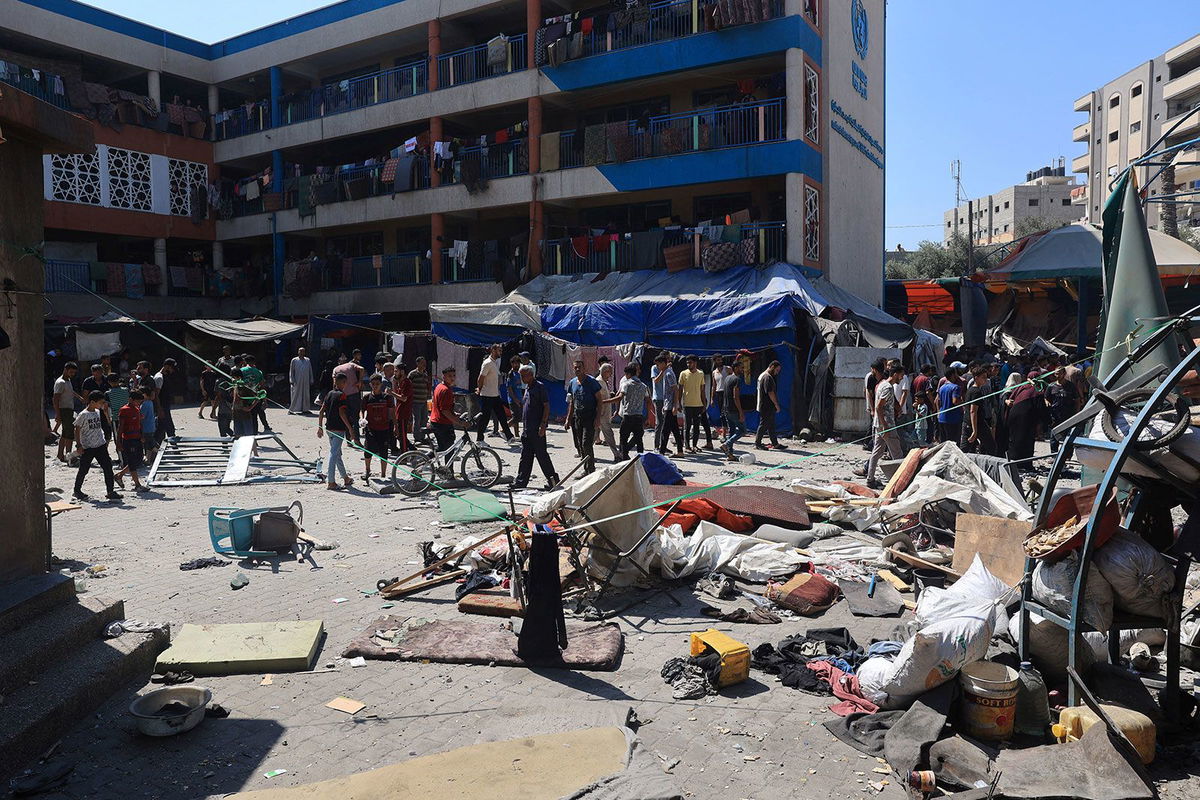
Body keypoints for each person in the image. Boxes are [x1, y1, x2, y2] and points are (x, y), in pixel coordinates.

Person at [512, 365, 559, 490]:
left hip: (537, 429)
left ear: (531, 375)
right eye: (521, 376)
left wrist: (543, 425)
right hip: (527, 429)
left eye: (523, 376)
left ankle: (553, 481)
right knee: (525, 457)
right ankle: (521, 482)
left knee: (542, 456)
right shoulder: (527, 387)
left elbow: (546, 406)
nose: (522, 378)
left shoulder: (540, 387)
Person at [73, 391, 121, 501]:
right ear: (92, 402)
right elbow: (77, 429)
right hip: (88, 447)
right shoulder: (83, 414)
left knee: (108, 467)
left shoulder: (98, 411)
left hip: (100, 444)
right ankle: (77, 490)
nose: (103, 404)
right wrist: (79, 445)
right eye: (101, 402)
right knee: (84, 469)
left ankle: (110, 491)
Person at [865, 364, 906, 489]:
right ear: (894, 374)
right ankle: (900, 482)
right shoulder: (888, 387)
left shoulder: (882, 384)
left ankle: (870, 479)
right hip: (886, 425)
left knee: (877, 452)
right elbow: (878, 407)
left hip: (879, 424)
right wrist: (886, 426)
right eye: (901, 375)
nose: (902, 378)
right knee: (897, 454)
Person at [317, 372, 356, 490]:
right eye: (345, 382)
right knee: (334, 454)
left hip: (329, 428)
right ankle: (331, 482)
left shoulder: (329, 394)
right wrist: (350, 429)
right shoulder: (342, 396)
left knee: (337, 454)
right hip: (338, 429)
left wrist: (320, 427)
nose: (345, 385)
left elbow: (321, 411)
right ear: (342, 382)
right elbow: (342, 413)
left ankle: (345, 478)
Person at [565, 359, 603, 475]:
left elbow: (599, 400)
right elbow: (572, 402)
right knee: (580, 445)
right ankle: (585, 468)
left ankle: (590, 470)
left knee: (586, 443)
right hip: (577, 417)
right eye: (575, 367)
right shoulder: (572, 383)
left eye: (579, 367)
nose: (577, 369)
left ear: (584, 368)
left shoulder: (592, 382)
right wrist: (568, 418)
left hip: (590, 417)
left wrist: (597, 419)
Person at [606, 363, 650, 458]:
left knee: (623, 438)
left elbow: (619, 398)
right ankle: (641, 459)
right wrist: (648, 417)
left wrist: (604, 402)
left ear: (628, 374)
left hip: (628, 416)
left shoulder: (626, 384)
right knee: (639, 440)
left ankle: (624, 457)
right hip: (638, 416)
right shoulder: (644, 386)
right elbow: (648, 401)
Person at [361, 373, 397, 480]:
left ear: (381, 384)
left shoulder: (387, 398)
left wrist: (395, 426)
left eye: (377, 384)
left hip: (384, 428)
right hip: (370, 428)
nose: (375, 386)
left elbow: (392, 413)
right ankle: (367, 471)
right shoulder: (367, 398)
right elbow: (362, 410)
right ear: (370, 385)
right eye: (373, 384)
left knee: (384, 451)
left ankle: (383, 474)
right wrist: (362, 419)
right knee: (368, 450)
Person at [476, 343, 514, 443]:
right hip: (487, 395)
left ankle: (509, 436)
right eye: (499, 350)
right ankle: (479, 440)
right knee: (485, 418)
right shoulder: (487, 363)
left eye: (501, 350)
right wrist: (479, 389)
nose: (501, 352)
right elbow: (480, 378)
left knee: (502, 416)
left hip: (495, 395)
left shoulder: (495, 362)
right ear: (493, 350)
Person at [1004, 371, 1038, 479]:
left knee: (1015, 440)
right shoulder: (1035, 390)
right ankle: (1024, 464)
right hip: (1025, 419)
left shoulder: (1020, 387)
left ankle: (1015, 463)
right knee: (1026, 441)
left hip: (1013, 417)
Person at [113, 390, 148, 492]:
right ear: (131, 399)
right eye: (137, 401)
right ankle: (137, 484)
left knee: (138, 460)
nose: (139, 404)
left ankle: (119, 475)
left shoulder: (137, 409)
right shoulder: (124, 410)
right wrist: (118, 442)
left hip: (137, 438)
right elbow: (120, 427)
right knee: (133, 462)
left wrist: (141, 435)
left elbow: (139, 423)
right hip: (128, 439)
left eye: (140, 402)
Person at [651, 353, 683, 456]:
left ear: (663, 363)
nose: (658, 367)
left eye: (659, 364)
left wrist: (675, 405)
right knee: (675, 429)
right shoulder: (666, 372)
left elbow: (676, 389)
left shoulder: (669, 373)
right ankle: (680, 451)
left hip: (670, 405)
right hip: (667, 404)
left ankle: (661, 452)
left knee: (665, 429)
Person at [430, 365, 467, 453]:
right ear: (444, 377)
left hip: (436, 421)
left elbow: (443, 407)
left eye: (454, 375)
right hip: (442, 423)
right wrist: (459, 422)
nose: (452, 378)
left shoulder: (439, 386)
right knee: (449, 450)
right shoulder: (446, 390)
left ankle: (423, 460)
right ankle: (449, 467)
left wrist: (453, 413)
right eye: (449, 376)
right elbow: (444, 411)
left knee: (442, 448)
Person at [679, 355, 712, 452]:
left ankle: (694, 445)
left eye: (690, 362)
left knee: (697, 426)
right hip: (687, 404)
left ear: (695, 363)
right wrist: (678, 402)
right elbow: (680, 389)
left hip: (698, 404)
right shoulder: (683, 374)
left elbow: (702, 390)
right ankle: (687, 446)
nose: (689, 364)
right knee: (687, 426)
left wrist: (704, 404)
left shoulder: (701, 374)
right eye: (687, 363)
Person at [963, 365, 997, 455]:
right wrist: (975, 430)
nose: (985, 380)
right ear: (976, 378)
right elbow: (973, 411)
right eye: (983, 377)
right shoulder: (976, 392)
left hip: (967, 423)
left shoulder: (971, 390)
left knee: (966, 449)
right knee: (991, 447)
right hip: (977, 424)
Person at [754, 360, 786, 451]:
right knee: (763, 424)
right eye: (776, 370)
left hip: (766, 405)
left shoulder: (764, 376)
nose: (777, 373)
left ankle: (775, 443)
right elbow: (770, 392)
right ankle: (758, 443)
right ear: (772, 366)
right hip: (766, 405)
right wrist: (776, 404)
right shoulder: (767, 377)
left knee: (771, 425)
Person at [594, 360, 622, 462]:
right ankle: (616, 454)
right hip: (602, 414)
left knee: (594, 434)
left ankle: (585, 452)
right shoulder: (599, 382)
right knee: (609, 435)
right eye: (609, 372)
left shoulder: (603, 381)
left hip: (604, 413)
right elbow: (599, 399)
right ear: (605, 371)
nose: (610, 375)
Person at [54, 362, 81, 463]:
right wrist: (57, 414)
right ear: (65, 369)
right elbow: (55, 399)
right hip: (64, 410)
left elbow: (70, 391)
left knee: (65, 433)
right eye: (71, 372)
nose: (72, 374)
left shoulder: (67, 380)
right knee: (69, 434)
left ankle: (61, 454)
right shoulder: (60, 382)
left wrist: (79, 397)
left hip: (69, 409)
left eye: (74, 372)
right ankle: (69, 455)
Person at [332, 351, 366, 427]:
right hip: (354, 393)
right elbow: (362, 369)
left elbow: (334, 384)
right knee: (355, 416)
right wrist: (359, 381)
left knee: (346, 417)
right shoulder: (351, 365)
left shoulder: (336, 369)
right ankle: (356, 437)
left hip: (343, 395)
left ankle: (349, 436)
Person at [719, 368, 745, 461]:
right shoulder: (737, 380)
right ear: (736, 368)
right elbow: (735, 396)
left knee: (732, 431)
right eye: (741, 367)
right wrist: (741, 412)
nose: (742, 369)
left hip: (726, 408)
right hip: (734, 409)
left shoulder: (727, 378)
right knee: (742, 430)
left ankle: (729, 455)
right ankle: (726, 444)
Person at [105, 373, 129, 465]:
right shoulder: (126, 390)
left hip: (116, 418)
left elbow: (105, 408)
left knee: (118, 439)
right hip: (128, 417)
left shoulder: (108, 393)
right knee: (127, 438)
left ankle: (122, 461)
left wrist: (108, 419)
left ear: (109, 382)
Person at [241, 355, 270, 432]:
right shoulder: (258, 372)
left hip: (243, 398)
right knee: (254, 417)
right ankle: (254, 435)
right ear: (254, 362)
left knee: (244, 417)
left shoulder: (241, 370)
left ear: (245, 362)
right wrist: (264, 400)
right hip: (255, 397)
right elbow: (262, 387)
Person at [863, 357, 886, 452]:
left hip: (880, 404)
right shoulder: (871, 377)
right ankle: (868, 443)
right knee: (873, 424)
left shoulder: (884, 376)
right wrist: (872, 408)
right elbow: (868, 392)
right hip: (874, 404)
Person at [390, 365, 413, 454]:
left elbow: (403, 398)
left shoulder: (406, 382)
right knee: (399, 434)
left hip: (404, 413)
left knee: (402, 435)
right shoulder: (400, 382)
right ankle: (411, 449)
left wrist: (391, 393)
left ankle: (404, 454)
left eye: (396, 371)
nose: (394, 373)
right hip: (399, 412)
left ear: (402, 372)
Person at [230, 367, 259, 439]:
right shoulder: (235, 386)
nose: (232, 379)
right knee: (238, 436)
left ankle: (252, 448)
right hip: (236, 413)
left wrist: (250, 408)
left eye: (234, 377)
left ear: (239, 377)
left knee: (249, 436)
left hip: (245, 413)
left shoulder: (246, 386)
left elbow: (257, 397)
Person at [407, 357, 431, 443]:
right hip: (416, 401)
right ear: (417, 364)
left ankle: (422, 436)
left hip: (423, 401)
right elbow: (407, 386)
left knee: (424, 419)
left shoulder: (425, 374)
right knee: (417, 419)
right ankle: (417, 437)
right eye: (422, 363)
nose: (424, 364)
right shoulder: (412, 374)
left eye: (425, 362)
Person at [911, 364, 936, 445]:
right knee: (928, 424)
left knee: (918, 423)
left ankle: (918, 442)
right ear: (928, 371)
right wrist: (933, 404)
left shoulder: (915, 379)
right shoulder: (926, 379)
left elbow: (912, 391)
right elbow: (928, 392)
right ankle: (927, 442)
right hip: (925, 405)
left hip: (917, 404)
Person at [710, 354, 732, 438]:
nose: (720, 361)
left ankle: (730, 432)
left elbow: (733, 380)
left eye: (721, 359)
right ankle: (724, 433)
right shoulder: (714, 372)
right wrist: (712, 398)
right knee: (722, 414)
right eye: (718, 360)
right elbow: (714, 386)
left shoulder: (727, 369)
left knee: (728, 412)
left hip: (727, 392)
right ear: (715, 361)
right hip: (719, 394)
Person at [288, 347, 313, 414]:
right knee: (295, 395)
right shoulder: (294, 360)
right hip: (297, 381)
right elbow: (291, 371)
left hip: (306, 380)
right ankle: (292, 410)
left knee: (306, 395)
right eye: (300, 351)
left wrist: (311, 379)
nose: (302, 353)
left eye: (303, 351)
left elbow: (310, 370)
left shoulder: (307, 360)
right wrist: (291, 380)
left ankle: (305, 409)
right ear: (298, 352)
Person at [506, 355, 525, 438]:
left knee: (516, 418)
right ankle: (504, 430)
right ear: (512, 364)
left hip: (519, 398)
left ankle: (517, 435)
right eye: (515, 363)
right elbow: (509, 390)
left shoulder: (519, 373)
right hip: (513, 400)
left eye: (518, 363)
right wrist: (516, 400)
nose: (516, 365)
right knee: (516, 417)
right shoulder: (511, 375)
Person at [139, 385, 158, 458]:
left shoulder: (144, 404)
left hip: (146, 428)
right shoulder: (150, 402)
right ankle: (148, 459)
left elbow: (142, 416)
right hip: (151, 426)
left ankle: (162, 453)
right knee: (148, 445)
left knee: (151, 444)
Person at [215, 372, 234, 438]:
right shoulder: (232, 381)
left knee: (223, 431)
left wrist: (213, 410)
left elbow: (218, 397)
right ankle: (236, 438)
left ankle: (225, 446)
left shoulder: (219, 381)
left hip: (223, 409)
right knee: (227, 428)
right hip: (230, 408)